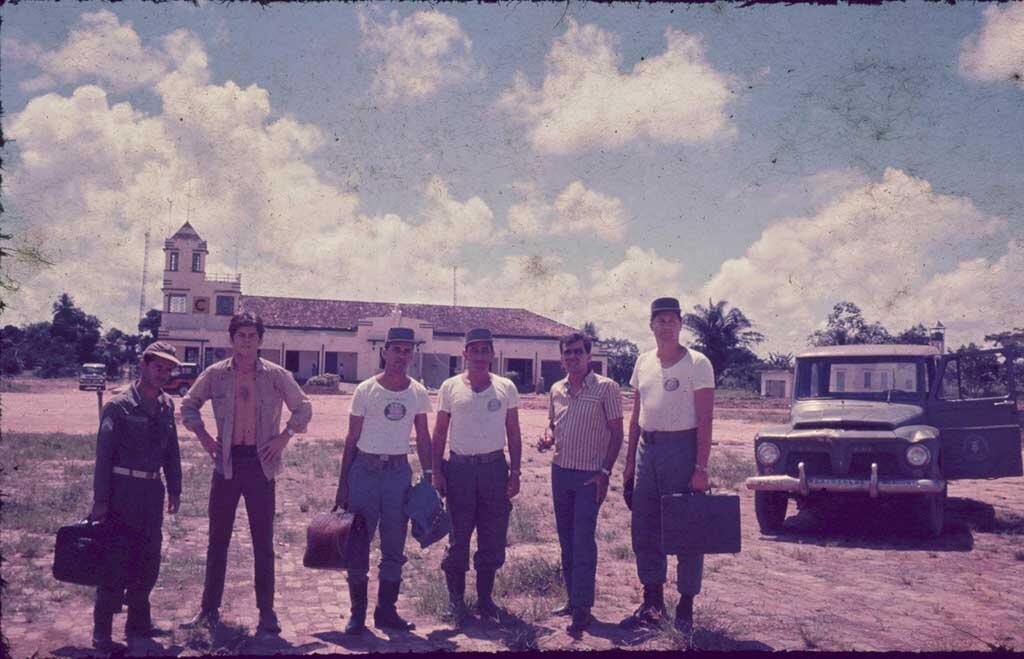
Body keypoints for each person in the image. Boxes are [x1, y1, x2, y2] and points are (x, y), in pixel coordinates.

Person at [180, 312, 313, 636]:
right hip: (225, 464)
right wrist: (205, 438)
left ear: (260, 340)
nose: (247, 341)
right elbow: (188, 405)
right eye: (241, 335)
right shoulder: (215, 374)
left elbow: (304, 407)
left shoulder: (276, 375)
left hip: (260, 465)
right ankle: (208, 609)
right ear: (232, 339)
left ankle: (266, 612)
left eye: (253, 335)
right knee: (217, 540)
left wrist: (284, 437)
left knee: (262, 541)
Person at [619, 297, 715, 635]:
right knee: (644, 527)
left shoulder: (697, 363)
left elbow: (705, 418)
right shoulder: (643, 362)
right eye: (659, 320)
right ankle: (653, 602)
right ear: (651, 325)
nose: (666, 325)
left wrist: (700, 468)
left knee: (687, 528)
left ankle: (685, 605)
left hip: (682, 447)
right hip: (649, 448)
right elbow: (635, 415)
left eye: (672, 319)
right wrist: (630, 462)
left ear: (681, 323)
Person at [334, 327, 433, 634]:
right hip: (364, 471)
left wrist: (429, 477)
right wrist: (343, 483)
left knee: (393, 545)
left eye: (407, 350)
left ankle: (386, 612)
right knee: (359, 542)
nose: (401, 356)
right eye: (396, 349)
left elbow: (424, 436)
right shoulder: (366, 390)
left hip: (398, 475)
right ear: (384, 351)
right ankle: (357, 615)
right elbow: (351, 438)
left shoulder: (417, 391)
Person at [88, 341, 183, 652]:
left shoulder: (167, 405)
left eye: (169, 370)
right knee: (115, 557)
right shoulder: (119, 406)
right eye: (159, 367)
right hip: (121, 492)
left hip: (151, 493)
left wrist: (175, 488)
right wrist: (101, 500)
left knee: (148, 557)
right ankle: (102, 630)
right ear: (143, 365)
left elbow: (172, 452)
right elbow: (104, 456)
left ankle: (138, 623)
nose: (164, 374)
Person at [432, 328, 522, 623]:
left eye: (486, 350)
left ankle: (485, 601)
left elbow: (513, 432)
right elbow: (440, 432)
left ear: (492, 355)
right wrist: (437, 472)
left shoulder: (506, 387)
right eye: (475, 350)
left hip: (495, 469)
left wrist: (515, 473)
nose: (481, 356)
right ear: (465, 354)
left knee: (492, 536)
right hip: (459, 470)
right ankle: (455, 602)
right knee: (458, 536)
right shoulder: (450, 387)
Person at [537, 332, 623, 635]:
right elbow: (552, 424)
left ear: (589, 355)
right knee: (565, 538)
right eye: (567, 353)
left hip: (590, 476)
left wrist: (605, 472)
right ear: (561, 357)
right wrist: (547, 437)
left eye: (577, 352)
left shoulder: (606, 389)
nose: (572, 357)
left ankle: (583, 607)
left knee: (583, 540)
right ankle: (572, 600)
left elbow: (617, 434)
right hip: (560, 472)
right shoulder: (556, 389)